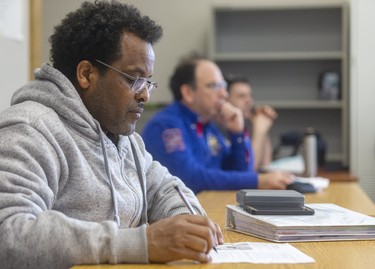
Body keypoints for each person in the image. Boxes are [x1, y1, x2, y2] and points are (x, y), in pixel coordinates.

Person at [0, 2, 223, 269]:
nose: (145, 94)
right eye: (133, 79)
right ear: (86, 74)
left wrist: (189, 225)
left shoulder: (123, 138)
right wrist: (142, 244)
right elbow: (8, 234)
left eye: (148, 81)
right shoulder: (29, 128)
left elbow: (163, 189)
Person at [142, 54, 294, 194]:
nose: (224, 94)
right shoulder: (166, 126)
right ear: (188, 93)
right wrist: (258, 180)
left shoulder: (206, 125)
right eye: (214, 86)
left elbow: (241, 172)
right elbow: (190, 179)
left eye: (223, 86)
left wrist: (238, 134)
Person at [225, 75, 277, 171]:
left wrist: (263, 126)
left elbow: (265, 164)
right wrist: (259, 131)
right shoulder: (221, 127)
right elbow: (248, 170)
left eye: (250, 96)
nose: (249, 101)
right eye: (241, 96)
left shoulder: (247, 124)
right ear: (226, 100)